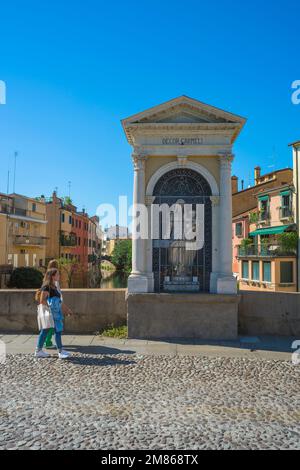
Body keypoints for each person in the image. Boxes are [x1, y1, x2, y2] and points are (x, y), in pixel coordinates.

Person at [35, 268, 72, 359]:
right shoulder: (46, 287)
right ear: (52, 276)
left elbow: (59, 301)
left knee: (50, 331)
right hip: (51, 313)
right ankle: (59, 351)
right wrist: (51, 309)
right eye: (57, 274)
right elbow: (42, 300)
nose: (59, 276)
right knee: (52, 331)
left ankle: (40, 351)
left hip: (55, 313)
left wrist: (67, 309)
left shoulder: (54, 286)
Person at [44, 260, 73, 348]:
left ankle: (48, 341)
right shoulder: (54, 279)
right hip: (55, 305)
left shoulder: (47, 277)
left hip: (51, 304)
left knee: (51, 325)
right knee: (55, 325)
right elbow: (57, 292)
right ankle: (49, 342)